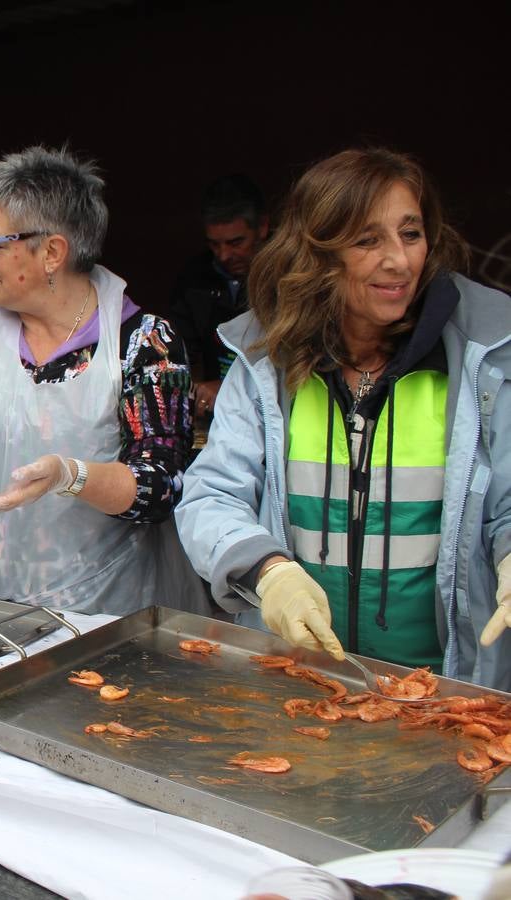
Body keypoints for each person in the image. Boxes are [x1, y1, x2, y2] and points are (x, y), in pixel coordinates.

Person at [176, 148, 511, 688]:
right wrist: (270, 572)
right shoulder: (266, 362)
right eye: (367, 240)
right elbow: (213, 493)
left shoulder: (485, 362)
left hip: (446, 691)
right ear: (318, 253)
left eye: (410, 233)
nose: (399, 261)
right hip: (300, 683)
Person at [0, 146, 208, 613]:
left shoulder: (142, 343)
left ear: (52, 252)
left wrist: (71, 476)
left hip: (93, 611)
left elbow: (159, 487)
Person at [168, 175, 269, 422]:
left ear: (263, 228)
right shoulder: (194, 279)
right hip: (216, 416)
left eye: (236, 242)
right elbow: (180, 355)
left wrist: (226, 385)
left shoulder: (288, 277)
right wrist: (192, 387)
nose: (224, 255)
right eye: (215, 244)